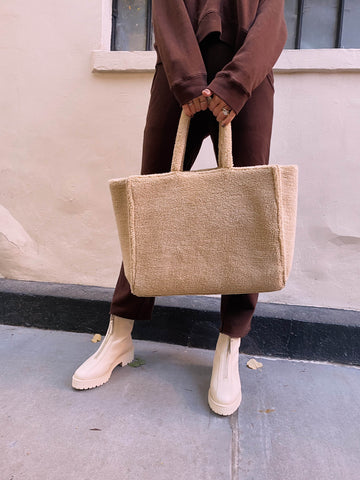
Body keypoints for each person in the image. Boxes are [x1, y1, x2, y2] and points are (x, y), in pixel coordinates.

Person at [72, 0, 287, 416]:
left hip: (250, 74)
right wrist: (189, 82)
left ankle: (229, 345)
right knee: (150, 207)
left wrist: (238, 82)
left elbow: (272, 18)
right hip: (177, 74)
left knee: (246, 214)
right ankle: (119, 333)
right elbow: (167, 8)